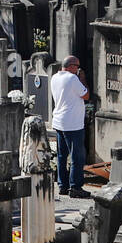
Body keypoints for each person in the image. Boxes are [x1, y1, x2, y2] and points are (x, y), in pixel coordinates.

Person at [50, 54, 89, 199]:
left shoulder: (55, 77)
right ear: (71, 66)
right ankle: (75, 187)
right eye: (77, 66)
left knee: (61, 156)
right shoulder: (72, 78)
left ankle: (62, 185)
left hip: (59, 121)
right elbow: (86, 95)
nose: (78, 69)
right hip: (73, 123)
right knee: (77, 157)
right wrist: (82, 78)